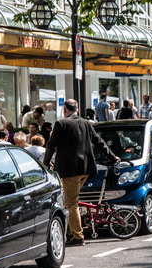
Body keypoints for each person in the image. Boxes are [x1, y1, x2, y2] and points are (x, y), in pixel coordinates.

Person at [43, 99, 120, 246]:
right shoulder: (85, 123)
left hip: (69, 170)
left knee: (71, 204)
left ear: (65, 110)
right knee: (73, 201)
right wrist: (113, 157)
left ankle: (77, 236)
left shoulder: (61, 123)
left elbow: (51, 145)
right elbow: (99, 142)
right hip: (85, 169)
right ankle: (74, 229)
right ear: (77, 110)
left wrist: (45, 165)